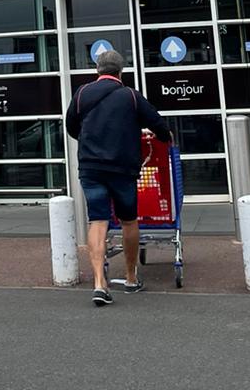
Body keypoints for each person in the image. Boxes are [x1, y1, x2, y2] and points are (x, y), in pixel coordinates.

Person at [64, 47, 171, 306]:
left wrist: (92, 143)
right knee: (128, 221)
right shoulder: (130, 97)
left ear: (97, 71)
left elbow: (71, 126)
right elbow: (158, 124)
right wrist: (165, 138)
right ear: (120, 72)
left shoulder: (81, 94)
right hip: (122, 169)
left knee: (98, 221)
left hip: (91, 167)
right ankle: (131, 277)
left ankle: (100, 283)